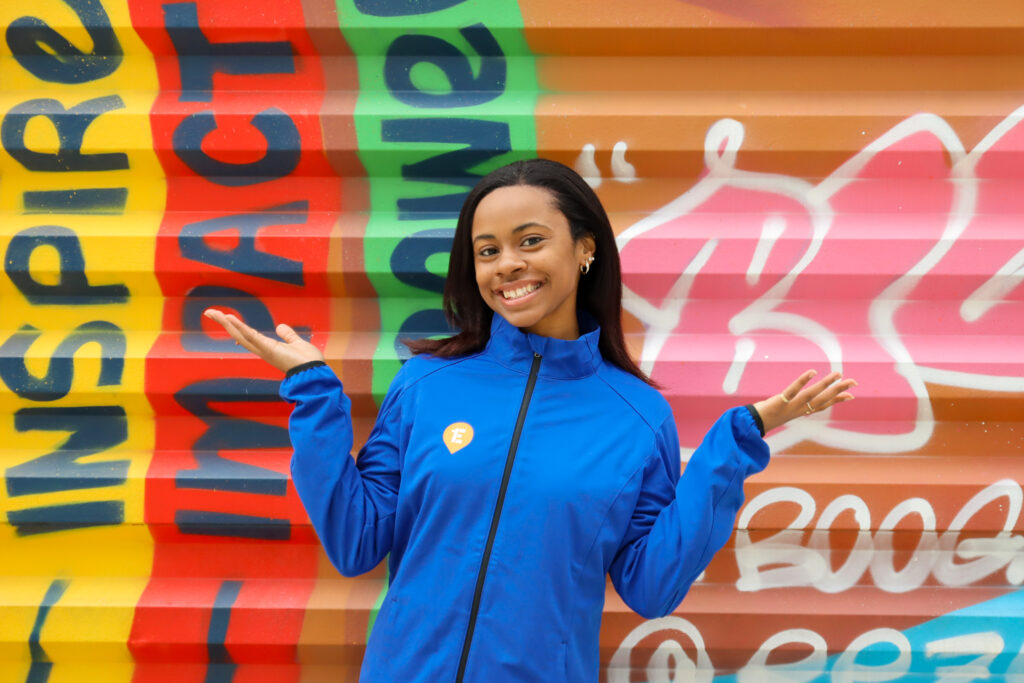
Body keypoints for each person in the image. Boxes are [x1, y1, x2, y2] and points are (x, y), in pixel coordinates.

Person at [204, 158, 856, 681]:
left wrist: (729, 450)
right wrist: (315, 394)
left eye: (531, 241)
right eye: (487, 250)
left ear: (585, 250)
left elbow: (651, 585)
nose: (507, 264)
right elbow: (355, 538)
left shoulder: (635, 415)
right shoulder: (427, 385)